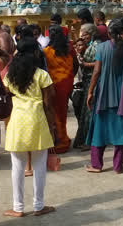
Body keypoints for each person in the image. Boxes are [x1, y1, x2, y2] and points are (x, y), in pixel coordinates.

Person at [3, 38, 57, 218]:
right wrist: (52, 126)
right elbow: (49, 104)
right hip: (37, 120)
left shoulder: (10, 75)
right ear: (35, 53)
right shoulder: (41, 74)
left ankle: (18, 208)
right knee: (39, 166)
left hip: (17, 121)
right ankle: (38, 205)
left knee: (17, 167)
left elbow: (6, 94)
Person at [85, 19, 123, 173]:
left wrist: (90, 92)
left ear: (108, 33)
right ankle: (118, 166)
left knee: (99, 129)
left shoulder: (101, 48)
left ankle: (96, 165)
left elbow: (96, 72)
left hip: (104, 95)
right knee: (121, 129)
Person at [43, 25, 76, 153]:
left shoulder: (46, 51)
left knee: (53, 113)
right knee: (62, 113)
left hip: (53, 85)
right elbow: (75, 65)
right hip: (66, 84)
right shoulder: (68, 50)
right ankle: (63, 139)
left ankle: (58, 141)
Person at [73, 24, 98, 150]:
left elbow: (99, 64)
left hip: (93, 82)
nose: (82, 36)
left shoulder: (96, 46)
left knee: (89, 112)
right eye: (81, 34)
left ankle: (90, 141)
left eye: (85, 34)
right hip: (87, 81)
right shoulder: (89, 46)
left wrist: (85, 64)